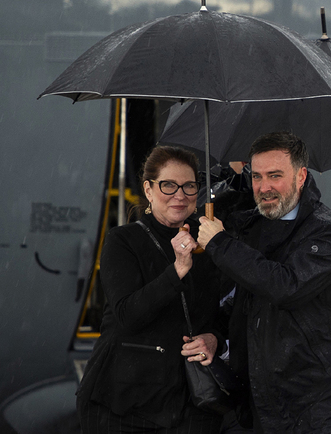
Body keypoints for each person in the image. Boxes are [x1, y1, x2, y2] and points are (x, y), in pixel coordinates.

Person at [196, 131, 331, 433]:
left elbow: (285, 286)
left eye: (275, 175)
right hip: (268, 404)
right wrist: (216, 336)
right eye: (256, 176)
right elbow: (242, 300)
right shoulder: (254, 226)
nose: (264, 187)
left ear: (301, 176)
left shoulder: (329, 235)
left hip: (328, 407)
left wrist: (221, 244)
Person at [76, 146, 224, 433]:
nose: (180, 195)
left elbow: (222, 314)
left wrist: (214, 338)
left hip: (189, 405)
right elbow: (127, 315)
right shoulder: (123, 241)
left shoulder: (209, 244)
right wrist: (178, 270)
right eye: (168, 185)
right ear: (149, 189)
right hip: (124, 403)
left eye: (189, 186)